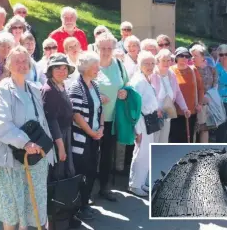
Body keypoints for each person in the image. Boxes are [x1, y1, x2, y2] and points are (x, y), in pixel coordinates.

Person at [0, 46, 56, 230]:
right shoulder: (4, 88)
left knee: (35, 207)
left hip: (37, 157)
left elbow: (42, 123)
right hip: (12, 158)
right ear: (8, 65)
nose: (22, 65)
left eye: (25, 61)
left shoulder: (34, 88)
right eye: (17, 61)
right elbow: (1, 123)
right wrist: (25, 142)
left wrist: (49, 152)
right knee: (12, 209)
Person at [68, 51, 104, 220]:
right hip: (81, 138)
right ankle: (78, 206)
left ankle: (85, 203)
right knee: (81, 171)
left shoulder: (95, 85)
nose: (98, 68)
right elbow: (76, 115)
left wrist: (101, 127)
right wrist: (90, 132)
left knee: (91, 170)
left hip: (94, 136)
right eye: (95, 66)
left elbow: (99, 109)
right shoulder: (76, 87)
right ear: (86, 68)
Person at [95, 32, 129, 202]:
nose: (106, 51)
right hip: (93, 120)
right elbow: (80, 86)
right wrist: (96, 95)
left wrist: (124, 92)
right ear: (96, 47)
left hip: (113, 119)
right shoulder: (91, 64)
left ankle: (104, 187)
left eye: (109, 48)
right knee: (91, 155)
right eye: (103, 48)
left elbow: (126, 85)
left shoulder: (119, 65)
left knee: (108, 155)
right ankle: (85, 191)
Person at [128, 51, 161, 197]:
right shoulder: (139, 81)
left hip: (150, 120)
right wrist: (137, 129)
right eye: (146, 63)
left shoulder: (147, 78)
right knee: (140, 153)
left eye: (152, 63)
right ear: (140, 64)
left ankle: (141, 182)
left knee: (146, 153)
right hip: (141, 122)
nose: (150, 66)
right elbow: (134, 106)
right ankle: (134, 185)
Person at [41, 53, 76, 181]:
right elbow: (51, 120)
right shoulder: (49, 90)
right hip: (56, 138)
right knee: (56, 173)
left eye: (64, 68)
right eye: (57, 68)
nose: (62, 71)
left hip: (65, 134)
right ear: (50, 70)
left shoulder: (61, 85)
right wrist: (61, 147)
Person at [151, 49, 190, 143]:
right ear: (158, 61)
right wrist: (156, 109)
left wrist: (185, 108)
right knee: (154, 141)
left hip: (167, 113)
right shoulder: (153, 74)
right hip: (154, 114)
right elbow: (150, 95)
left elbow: (178, 92)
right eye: (163, 60)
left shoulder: (171, 74)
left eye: (168, 60)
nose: (166, 63)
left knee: (164, 141)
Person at [169, 47, 204, 143]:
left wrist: (200, 104)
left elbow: (200, 88)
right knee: (175, 138)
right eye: (181, 56)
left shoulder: (193, 70)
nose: (184, 58)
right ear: (176, 57)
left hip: (191, 111)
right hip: (175, 112)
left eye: (186, 56)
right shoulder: (170, 71)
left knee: (188, 139)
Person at [190, 44, 217, 143]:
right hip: (193, 103)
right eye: (192, 55)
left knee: (204, 129)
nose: (193, 58)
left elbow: (215, 84)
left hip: (206, 103)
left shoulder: (211, 69)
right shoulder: (190, 69)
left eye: (195, 55)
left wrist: (208, 96)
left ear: (202, 57)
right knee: (193, 129)